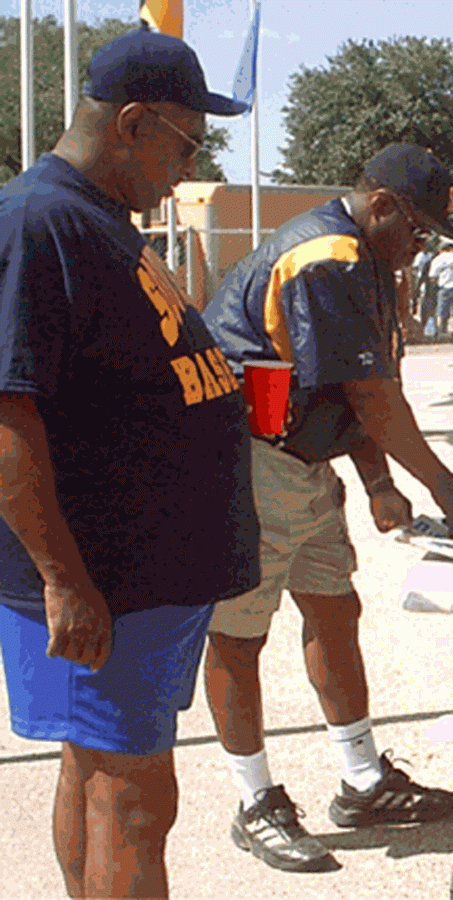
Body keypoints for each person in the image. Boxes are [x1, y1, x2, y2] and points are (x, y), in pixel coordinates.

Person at [0, 28, 257, 899]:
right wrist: (62, 579)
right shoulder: (40, 221)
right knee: (132, 800)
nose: (187, 167)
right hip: (105, 577)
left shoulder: (101, 223)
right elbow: (7, 412)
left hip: (144, 579)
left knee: (105, 776)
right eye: (185, 143)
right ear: (134, 122)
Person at [201, 143, 453, 873]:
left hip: (301, 459)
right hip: (248, 459)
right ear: (383, 207)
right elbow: (369, 396)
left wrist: (376, 482)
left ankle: (362, 779)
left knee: (334, 609)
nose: (420, 247)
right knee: (238, 633)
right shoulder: (328, 254)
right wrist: (443, 485)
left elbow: (345, 383)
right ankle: (254, 800)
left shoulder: (362, 257)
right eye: (419, 231)